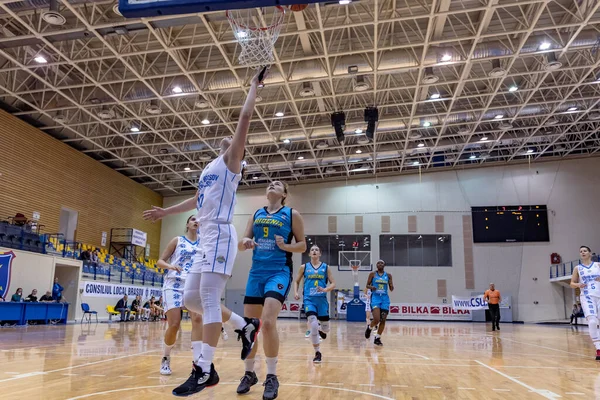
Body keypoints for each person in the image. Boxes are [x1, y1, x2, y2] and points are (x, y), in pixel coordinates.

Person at [143, 69, 267, 397]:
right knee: (189, 299)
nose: (233, 137)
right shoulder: (209, 169)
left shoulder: (231, 163)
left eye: (237, 140)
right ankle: (244, 326)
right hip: (207, 237)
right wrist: (165, 212)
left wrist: (253, 88)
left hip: (220, 235)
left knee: (210, 299)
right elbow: (195, 201)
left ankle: (204, 370)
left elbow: (244, 118)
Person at [237, 180, 306, 399]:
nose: (271, 185)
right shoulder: (256, 213)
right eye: (269, 183)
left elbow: (302, 245)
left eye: (277, 184)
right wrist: (246, 242)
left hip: (279, 272)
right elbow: (242, 241)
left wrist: (285, 246)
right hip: (256, 273)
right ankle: (249, 374)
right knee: (249, 327)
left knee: (267, 323)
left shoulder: (292, 214)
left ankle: (272, 376)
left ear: (284, 193)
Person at [158, 215, 200, 375]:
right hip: (173, 283)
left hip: (193, 284)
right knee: (174, 325)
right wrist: (171, 266)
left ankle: (197, 362)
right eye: (193, 219)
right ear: (187, 224)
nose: (197, 221)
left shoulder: (204, 242)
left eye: (199, 220)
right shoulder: (178, 240)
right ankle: (166, 357)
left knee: (198, 319)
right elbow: (159, 261)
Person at [294, 245, 336, 363]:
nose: (314, 251)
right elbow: (296, 281)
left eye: (316, 250)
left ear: (320, 254)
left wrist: (325, 289)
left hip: (322, 301)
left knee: (326, 329)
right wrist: (296, 292)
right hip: (309, 300)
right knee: (312, 325)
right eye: (312, 250)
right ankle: (317, 352)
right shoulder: (304, 267)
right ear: (309, 254)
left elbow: (333, 283)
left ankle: (322, 331)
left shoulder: (326, 267)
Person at [570, 245, 600, 360]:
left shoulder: (598, 265)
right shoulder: (578, 268)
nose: (582, 252)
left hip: (599, 295)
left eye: (585, 251)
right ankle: (598, 348)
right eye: (581, 251)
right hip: (587, 296)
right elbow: (572, 283)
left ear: (590, 253)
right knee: (592, 321)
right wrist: (578, 284)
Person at [365, 260, 394, 346]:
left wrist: (391, 284)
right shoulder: (372, 274)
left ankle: (377, 338)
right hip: (375, 298)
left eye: (382, 263)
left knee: (383, 319)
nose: (380, 264)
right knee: (377, 319)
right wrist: (371, 287)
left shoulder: (388, 275)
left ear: (384, 265)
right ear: (376, 265)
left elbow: (391, 288)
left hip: (385, 299)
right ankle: (370, 327)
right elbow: (367, 285)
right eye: (378, 263)